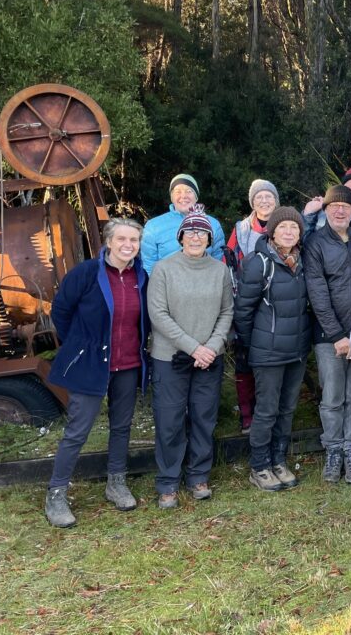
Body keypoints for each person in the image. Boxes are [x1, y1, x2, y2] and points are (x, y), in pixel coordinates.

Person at [43, 218, 149, 528]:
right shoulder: (86, 273)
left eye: (134, 239)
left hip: (128, 363)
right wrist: (79, 343)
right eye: (122, 239)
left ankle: (116, 482)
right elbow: (60, 311)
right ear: (108, 241)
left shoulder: (141, 276)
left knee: (121, 426)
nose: (128, 245)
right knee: (78, 430)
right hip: (91, 362)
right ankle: (57, 493)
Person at [147, 206, 233, 508]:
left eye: (202, 232)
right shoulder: (164, 269)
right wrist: (193, 348)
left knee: (203, 418)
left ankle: (198, 475)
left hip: (210, 357)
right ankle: (168, 481)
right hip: (170, 357)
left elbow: (227, 311)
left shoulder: (219, 270)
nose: (196, 237)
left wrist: (210, 346)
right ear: (181, 236)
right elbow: (158, 314)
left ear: (209, 238)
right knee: (169, 420)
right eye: (191, 232)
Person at [233, 206, 313, 491]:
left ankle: (279, 460)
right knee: (266, 410)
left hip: (297, 349)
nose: (289, 232)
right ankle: (259, 466)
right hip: (267, 350)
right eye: (283, 227)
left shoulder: (303, 261)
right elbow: (243, 311)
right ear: (272, 231)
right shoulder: (259, 262)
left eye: (294, 228)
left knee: (287, 408)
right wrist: (252, 344)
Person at [304, 186, 351, 484]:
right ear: (326, 210)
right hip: (329, 336)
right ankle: (333, 450)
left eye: (345, 206)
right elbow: (318, 293)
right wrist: (336, 335)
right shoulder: (315, 244)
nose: (340, 211)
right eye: (334, 207)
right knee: (332, 398)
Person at [226, 178, 280, 433]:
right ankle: (247, 413)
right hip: (246, 300)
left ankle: (269, 411)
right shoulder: (241, 228)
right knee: (244, 357)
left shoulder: (284, 225)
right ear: (252, 202)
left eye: (269, 196)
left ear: (276, 201)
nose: (264, 200)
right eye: (259, 197)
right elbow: (229, 261)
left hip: (277, 304)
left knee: (272, 360)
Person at [141, 174, 225, 273]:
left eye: (189, 191)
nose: (183, 196)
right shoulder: (153, 226)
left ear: (196, 197)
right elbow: (149, 264)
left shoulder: (213, 225)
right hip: (167, 286)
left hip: (203, 285)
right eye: (178, 191)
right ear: (171, 197)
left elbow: (217, 260)